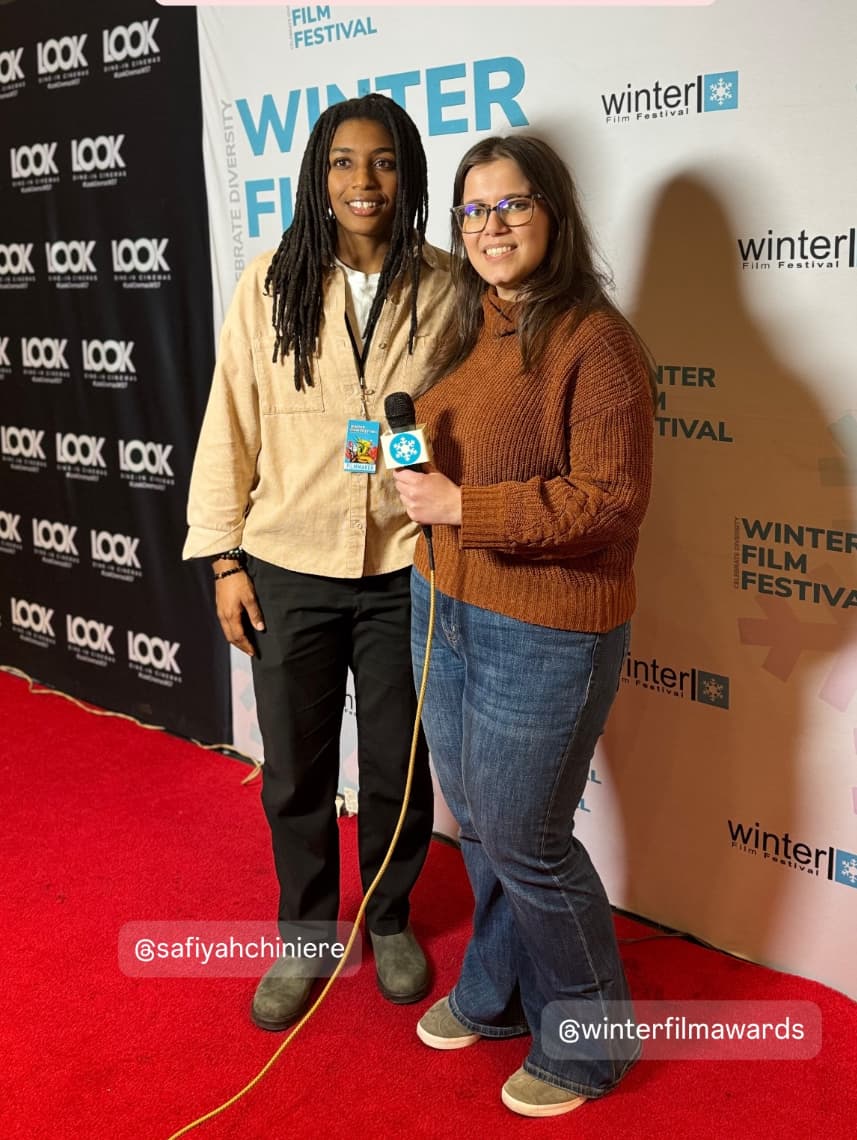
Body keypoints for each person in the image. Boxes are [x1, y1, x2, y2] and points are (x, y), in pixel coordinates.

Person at [392, 135, 654, 1117]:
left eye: (511, 206)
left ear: (552, 213)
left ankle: (589, 1043)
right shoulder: (468, 324)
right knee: (484, 827)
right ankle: (498, 991)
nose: (489, 226)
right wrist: (397, 463)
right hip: (444, 607)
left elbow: (610, 501)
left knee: (526, 839)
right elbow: (443, 451)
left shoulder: (595, 341)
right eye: (472, 210)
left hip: (542, 631)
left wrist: (465, 507)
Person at [183, 94, 454, 1030]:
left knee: (396, 764)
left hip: (403, 567)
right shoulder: (271, 282)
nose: (362, 181)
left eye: (382, 161)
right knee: (294, 769)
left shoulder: (448, 286)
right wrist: (224, 560)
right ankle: (304, 933)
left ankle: (388, 918)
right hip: (287, 562)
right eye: (342, 162)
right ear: (316, 175)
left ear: (407, 173)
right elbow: (230, 420)